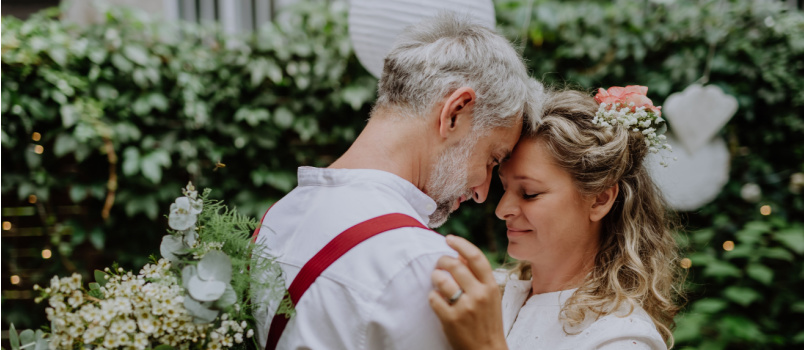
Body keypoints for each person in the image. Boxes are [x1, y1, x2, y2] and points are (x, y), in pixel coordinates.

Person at [251, 13, 544, 350]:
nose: (481, 192)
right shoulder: (422, 267)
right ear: (455, 112)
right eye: (493, 159)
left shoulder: (278, 218)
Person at [429, 87, 683, 349]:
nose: (502, 210)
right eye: (504, 188)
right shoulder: (492, 292)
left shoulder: (621, 337)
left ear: (600, 199)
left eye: (529, 193)